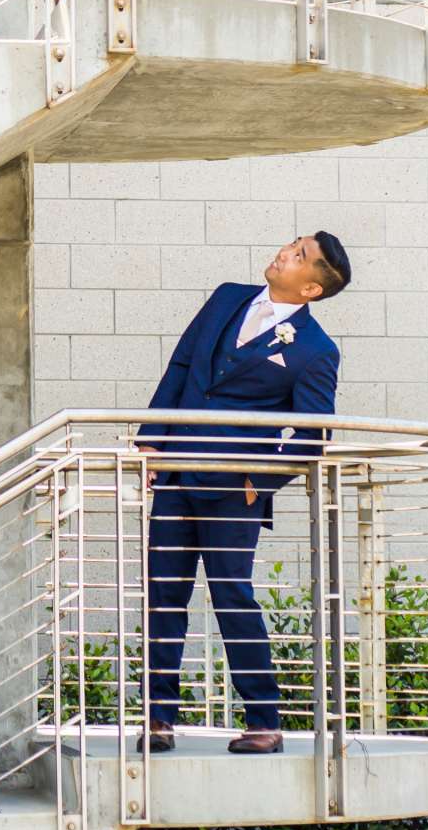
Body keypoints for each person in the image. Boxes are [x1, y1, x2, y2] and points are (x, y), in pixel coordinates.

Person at [140, 233, 349, 755]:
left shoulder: (316, 351)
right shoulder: (227, 296)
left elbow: (312, 433)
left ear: (312, 289)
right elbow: (183, 367)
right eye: (291, 245)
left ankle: (264, 721)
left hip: (236, 491)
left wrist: (261, 481)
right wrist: (151, 441)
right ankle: (158, 720)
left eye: (299, 255)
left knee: (233, 595)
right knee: (164, 596)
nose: (284, 252)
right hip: (176, 474)